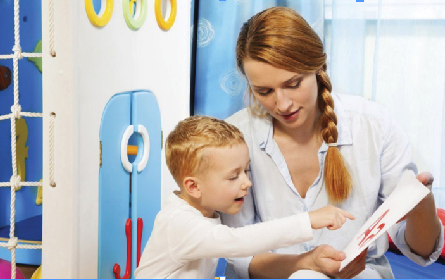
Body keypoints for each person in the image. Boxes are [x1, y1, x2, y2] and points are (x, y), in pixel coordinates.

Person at [220, 6, 444, 279]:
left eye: (293, 84)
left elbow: (421, 252)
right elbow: (239, 252)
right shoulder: (235, 138)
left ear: (316, 67)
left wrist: (423, 204)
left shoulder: (373, 125)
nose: (282, 104)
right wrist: (306, 264)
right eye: (264, 92)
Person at [134, 116, 355, 279]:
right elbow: (237, 241)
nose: (247, 182)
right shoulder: (179, 222)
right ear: (193, 186)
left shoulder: (203, 213)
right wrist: (307, 220)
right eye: (233, 177)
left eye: (246, 171)